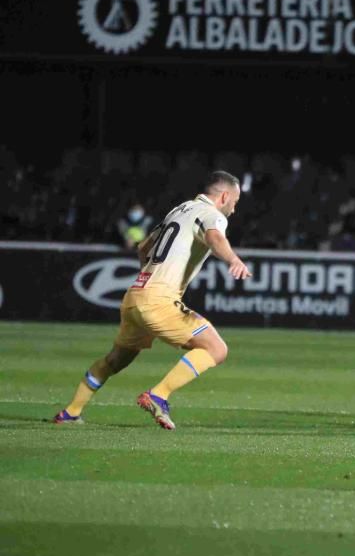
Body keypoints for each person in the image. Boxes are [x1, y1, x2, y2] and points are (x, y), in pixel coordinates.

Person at [53, 172, 251, 429]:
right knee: (217, 349)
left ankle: (71, 412)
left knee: (115, 360)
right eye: (235, 201)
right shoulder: (212, 214)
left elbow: (143, 247)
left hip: (135, 295)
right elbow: (215, 238)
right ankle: (159, 394)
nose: (234, 209)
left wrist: (147, 278)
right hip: (159, 300)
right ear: (224, 196)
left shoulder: (178, 211)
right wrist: (234, 260)